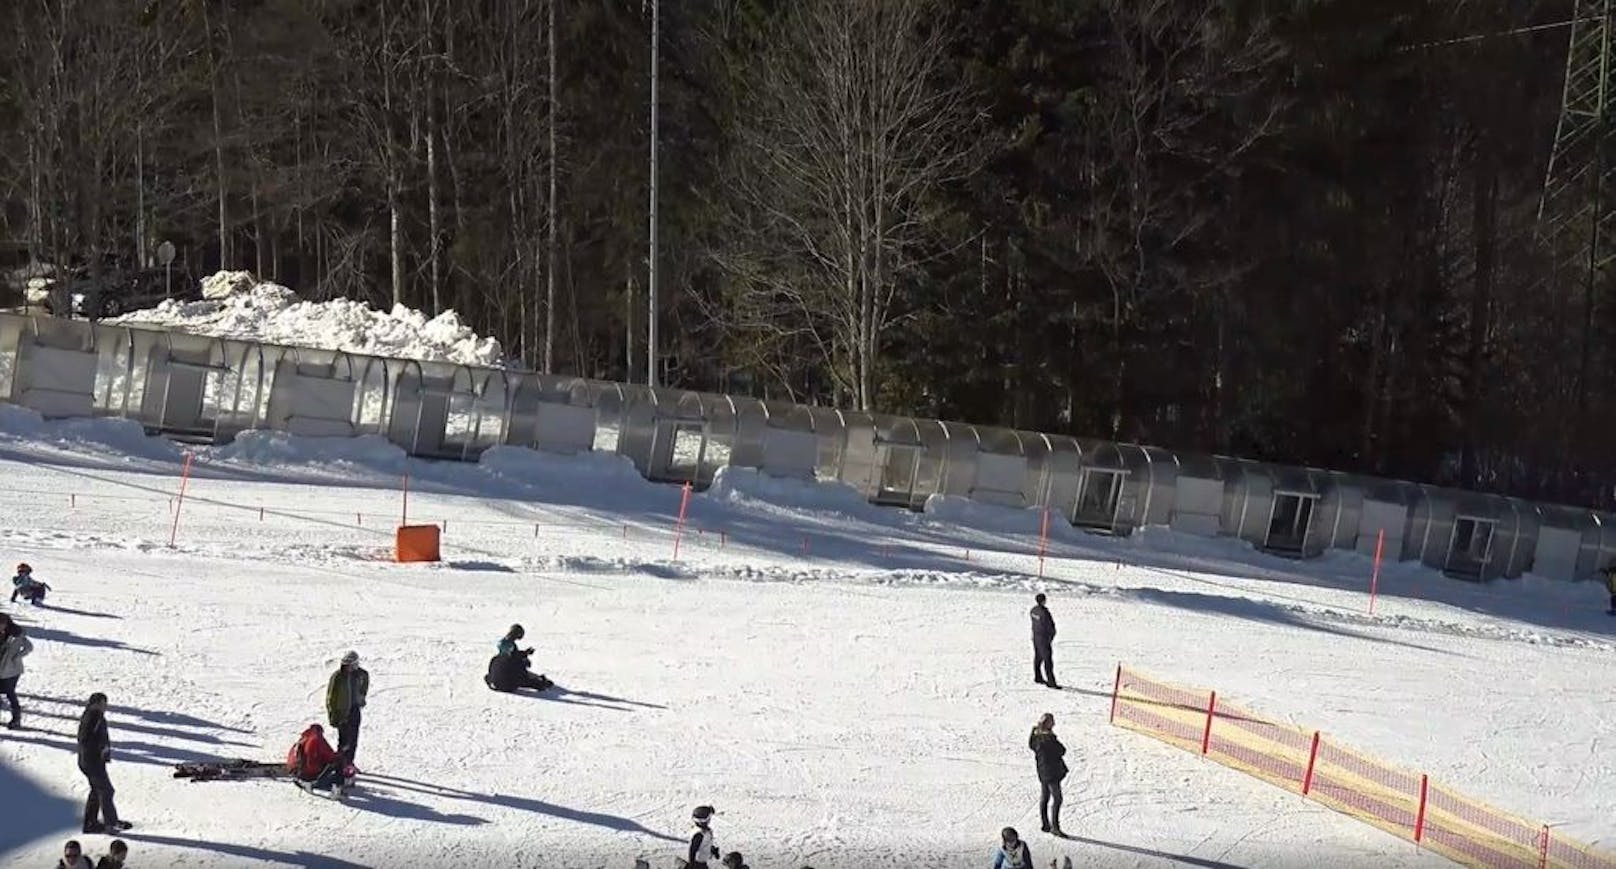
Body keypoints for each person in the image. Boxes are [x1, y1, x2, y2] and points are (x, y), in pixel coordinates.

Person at [76, 693, 129, 834]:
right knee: (106, 791)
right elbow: (85, 738)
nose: (106, 706)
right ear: (96, 703)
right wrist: (100, 749)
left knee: (97, 790)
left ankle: (90, 823)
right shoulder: (93, 716)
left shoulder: (92, 715)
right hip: (92, 761)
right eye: (103, 703)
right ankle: (110, 824)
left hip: (89, 761)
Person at [286, 723, 355, 797]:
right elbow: (329, 756)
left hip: (299, 772)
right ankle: (337, 788)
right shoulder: (317, 739)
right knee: (338, 762)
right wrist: (341, 755)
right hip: (311, 774)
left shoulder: (303, 739)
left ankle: (308, 781)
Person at [1029, 713, 1068, 836]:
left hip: (1042, 772)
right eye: (1052, 722)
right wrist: (1052, 737)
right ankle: (1055, 827)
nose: (1054, 724)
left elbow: (1031, 746)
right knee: (1057, 799)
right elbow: (1061, 750)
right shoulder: (1049, 739)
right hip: (1052, 773)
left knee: (1045, 797)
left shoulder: (1035, 737)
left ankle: (1045, 824)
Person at [326, 651, 369, 762]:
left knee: (353, 739)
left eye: (353, 665)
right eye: (348, 665)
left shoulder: (359, 675)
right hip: (342, 711)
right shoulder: (338, 677)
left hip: (354, 710)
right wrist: (333, 715)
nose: (350, 668)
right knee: (344, 740)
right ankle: (341, 763)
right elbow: (331, 697)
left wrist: (362, 697)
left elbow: (365, 681)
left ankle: (350, 762)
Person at [486, 625, 553, 693]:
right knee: (516, 676)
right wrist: (541, 684)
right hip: (506, 686)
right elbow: (523, 680)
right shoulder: (516, 664)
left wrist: (525, 653)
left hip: (493, 683)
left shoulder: (495, 659)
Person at [0, 615, 34, 729]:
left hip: (11, 671)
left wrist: (17, 656)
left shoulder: (17, 634)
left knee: (10, 693)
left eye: (2, 624)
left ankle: (16, 718)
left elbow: (29, 647)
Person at [1029, 593, 1058, 689]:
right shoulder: (1044, 613)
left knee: (1038, 657)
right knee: (1048, 660)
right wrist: (1051, 636)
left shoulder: (1033, 610)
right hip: (1044, 639)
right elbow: (1050, 626)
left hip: (1036, 637)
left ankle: (1038, 677)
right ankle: (1051, 682)